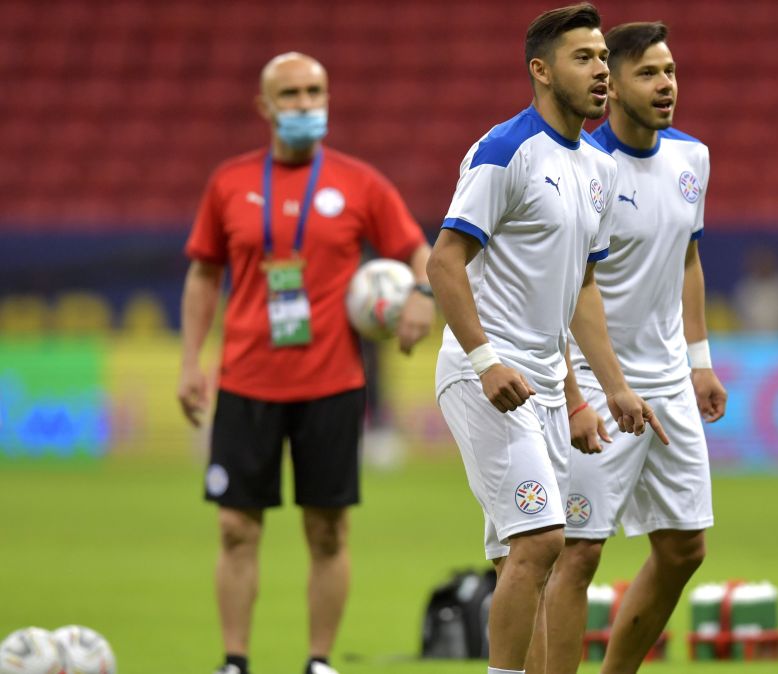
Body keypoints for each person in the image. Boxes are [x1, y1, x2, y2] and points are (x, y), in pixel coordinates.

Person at [426, 5, 667, 674]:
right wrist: (484, 360)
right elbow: (443, 263)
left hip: (543, 382)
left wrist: (592, 393)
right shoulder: (506, 151)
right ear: (540, 70)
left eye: (602, 58)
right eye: (584, 58)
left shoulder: (597, 167)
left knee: (524, 556)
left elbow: (575, 292)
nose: (602, 72)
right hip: (486, 375)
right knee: (542, 540)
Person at [177, 52, 434, 674]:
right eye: (289, 94)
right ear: (265, 107)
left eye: (314, 91)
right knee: (237, 530)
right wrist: (191, 362)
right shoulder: (229, 183)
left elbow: (419, 250)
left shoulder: (359, 183)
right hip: (246, 381)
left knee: (327, 532)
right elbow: (204, 274)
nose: (304, 103)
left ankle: (318, 663)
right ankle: (235, 662)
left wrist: (423, 297)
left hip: (333, 384)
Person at [543, 21, 727, 674]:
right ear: (610, 87)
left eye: (671, 71)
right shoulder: (581, 170)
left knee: (684, 549)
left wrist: (700, 363)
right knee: (577, 553)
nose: (666, 84)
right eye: (648, 73)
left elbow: (688, 261)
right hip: (599, 381)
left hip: (671, 380)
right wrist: (578, 392)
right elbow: (567, 290)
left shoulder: (693, 159)